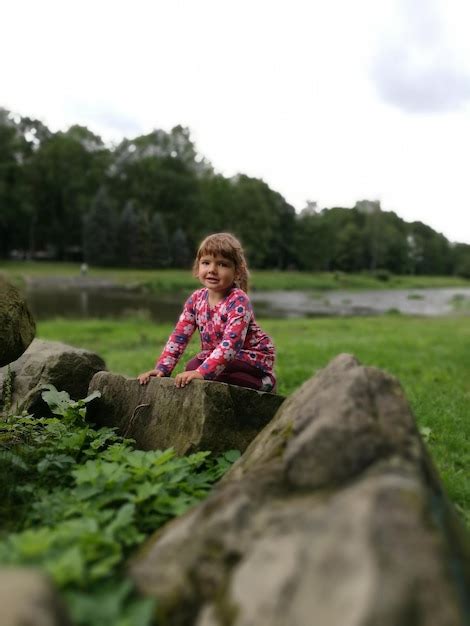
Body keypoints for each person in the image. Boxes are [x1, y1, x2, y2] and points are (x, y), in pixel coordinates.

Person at [138, 232, 276, 391]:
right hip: (218, 355)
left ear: (237, 272)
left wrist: (202, 373)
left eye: (222, 264)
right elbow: (179, 337)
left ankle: (264, 382)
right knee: (192, 366)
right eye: (206, 263)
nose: (212, 270)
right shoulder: (196, 299)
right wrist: (162, 369)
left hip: (250, 356)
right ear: (198, 268)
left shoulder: (238, 300)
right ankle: (215, 375)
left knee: (213, 372)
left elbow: (231, 346)